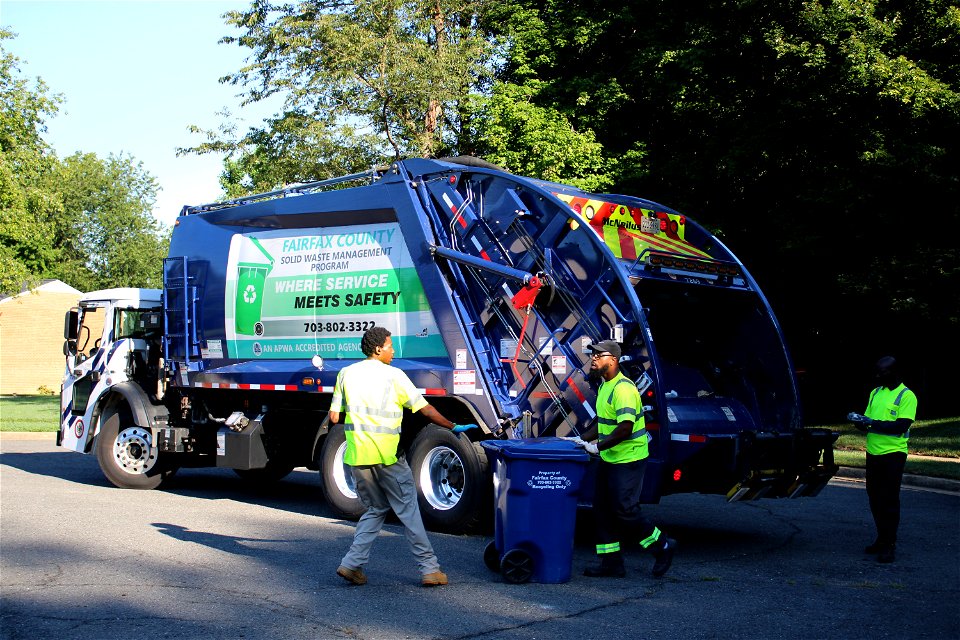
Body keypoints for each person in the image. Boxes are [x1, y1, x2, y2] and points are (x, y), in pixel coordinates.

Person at [330, 327, 478, 586]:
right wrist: (452, 426)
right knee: (408, 511)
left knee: (375, 508)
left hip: (358, 457)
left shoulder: (346, 374)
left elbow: (334, 417)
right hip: (388, 457)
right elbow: (425, 410)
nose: (393, 350)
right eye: (390, 346)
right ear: (378, 349)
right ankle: (430, 569)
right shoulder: (394, 376)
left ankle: (352, 564)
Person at [573, 339, 676, 578]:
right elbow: (603, 422)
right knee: (601, 510)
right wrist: (580, 439)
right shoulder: (605, 387)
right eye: (593, 355)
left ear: (614, 359)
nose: (594, 358)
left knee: (625, 510)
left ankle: (663, 546)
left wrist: (596, 447)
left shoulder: (624, 389)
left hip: (629, 459)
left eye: (599, 355)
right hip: (611, 457)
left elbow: (625, 428)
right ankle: (611, 563)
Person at [848, 356, 917, 564]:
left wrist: (871, 422)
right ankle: (881, 538)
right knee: (875, 498)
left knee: (889, 500)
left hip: (893, 454)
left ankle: (889, 545)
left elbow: (899, 427)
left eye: (882, 372)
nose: (877, 375)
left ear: (895, 372)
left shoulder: (907, 396)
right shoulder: (875, 393)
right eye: (877, 371)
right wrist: (859, 421)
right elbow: (870, 423)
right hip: (873, 453)